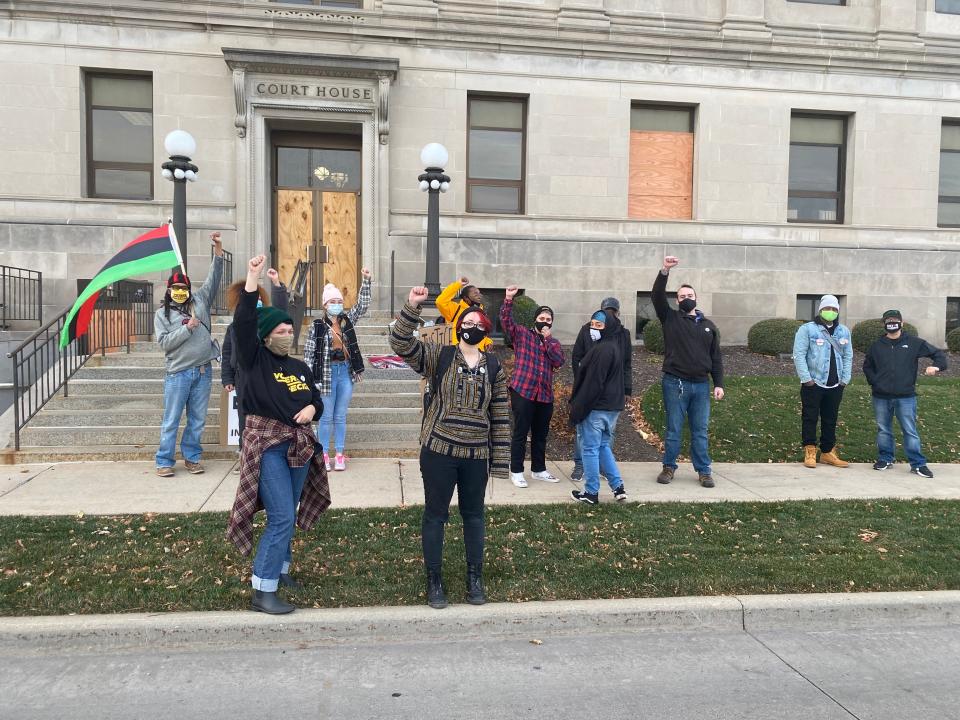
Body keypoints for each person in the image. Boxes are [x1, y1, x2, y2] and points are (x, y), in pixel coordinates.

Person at [390, 285, 510, 610]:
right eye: (466, 322)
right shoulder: (439, 356)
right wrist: (412, 307)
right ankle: (434, 580)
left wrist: (500, 463)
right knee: (435, 516)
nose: (472, 326)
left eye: (478, 323)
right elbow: (400, 343)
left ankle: (475, 577)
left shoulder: (494, 367)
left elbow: (499, 415)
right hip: (439, 453)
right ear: (458, 327)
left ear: (486, 328)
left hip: (475, 457)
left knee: (474, 517)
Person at [226, 254, 329, 615]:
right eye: (280, 331)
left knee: (289, 509)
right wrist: (254, 280)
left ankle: (281, 571)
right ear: (265, 336)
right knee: (282, 515)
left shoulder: (298, 366)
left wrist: (314, 409)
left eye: (290, 330)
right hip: (267, 445)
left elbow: (317, 397)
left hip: (299, 445)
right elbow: (243, 323)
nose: (287, 335)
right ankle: (262, 589)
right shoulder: (254, 360)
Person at [154, 232, 224, 478]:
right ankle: (164, 460)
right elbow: (164, 344)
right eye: (176, 288)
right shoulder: (162, 315)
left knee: (197, 420)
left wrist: (217, 250)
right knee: (171, 419)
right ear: (169, 290)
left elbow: (214, 278)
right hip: (178, 374)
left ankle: (192, 458)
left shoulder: (200, 300)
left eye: (184, 288)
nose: (180, 291)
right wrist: (186, 329)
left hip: (203, 371)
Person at [653, 256, 724, 488]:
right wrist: (665, 271)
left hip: (701, 386)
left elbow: (715, 357)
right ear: (677, 300)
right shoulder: (670, 318)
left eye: (689, 296)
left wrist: (719, 383)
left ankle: (704, 471)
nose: (686, 299)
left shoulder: (709, 326)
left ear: (696, 299)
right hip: (675, 383)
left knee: (700, 431)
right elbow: (656, 296)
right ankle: (668, 467)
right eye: (682, 297)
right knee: (673, 428)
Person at [863, 309, 947, 478]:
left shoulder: (914, 343)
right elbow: (867, 366)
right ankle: (886, 458)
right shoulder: (877, 345)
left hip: (906, 397)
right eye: (888, 320)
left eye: (895, 320)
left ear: (901, 323)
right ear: (883, 324)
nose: (891, 323)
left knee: (909, 430)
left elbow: (938, 354)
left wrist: (936, 367)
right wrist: (876, 382)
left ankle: (918, 464)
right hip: (881, 396)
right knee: (883, 430)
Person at [303, 270, 372, 472]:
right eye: (332, 301)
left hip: (345, 372)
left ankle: (339, 454)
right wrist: (310, 379)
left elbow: (361, 306)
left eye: (339, 301)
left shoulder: (346, 321)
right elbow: (308, 354)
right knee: (326, 417)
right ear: (325, 305)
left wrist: (366, 281)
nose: (336, 305)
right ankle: (323, 454)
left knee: (340, 416)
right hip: (325, 374)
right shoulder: (317, 326)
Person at [221, 268, 289, 468]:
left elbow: (282, 311)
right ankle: (245, 454)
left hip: (268, 374)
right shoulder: (235, 327)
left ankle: (270, 455)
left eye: (259, 296)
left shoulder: (268, 321)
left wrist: (276, 285)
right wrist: (227, 378)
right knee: (245, 418)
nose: (256, 300)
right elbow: (227, 354)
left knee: (270, 415)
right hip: (244, 377)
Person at [501, 285, 565, 488]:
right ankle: (517, 471)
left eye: (548, 319)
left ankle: (538, 470)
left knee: (540, 435)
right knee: (520, 432)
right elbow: (505, 322)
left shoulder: (552, 342)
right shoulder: (521, 334)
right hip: (523, 390)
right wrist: (508, 299)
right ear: (535, 319)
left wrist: (547, 341)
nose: (544, 322)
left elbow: (558, 361)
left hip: (544, 395)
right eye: (542, 318)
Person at [569, 296, 633, 481]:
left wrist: (627, 388)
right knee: (583, 429)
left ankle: (603, 467)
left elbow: (626, 363)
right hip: (589, 388)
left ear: (617, 314)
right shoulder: (587, 330)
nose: (609, 315)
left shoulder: (623, 334)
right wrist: (581, 380)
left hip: (612, 391)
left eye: (612, 312)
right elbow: (576, 357)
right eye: (606, 311)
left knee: (608, 432)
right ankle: (580, 464)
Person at [792, 294, 853, 469]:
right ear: (820, 310)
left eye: (834, 309)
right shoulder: (807, 329)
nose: (831, 312)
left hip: (836, 384)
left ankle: (827, 452)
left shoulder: (844, 331)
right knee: (810, 417)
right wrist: (807, 379)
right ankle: (810, 450)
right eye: (828, 309)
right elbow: (799, 355)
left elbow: (848, 355)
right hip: (814, 383)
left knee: (830, 418)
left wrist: (845, 379)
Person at [436, 276, 493, 350]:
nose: (479, 296)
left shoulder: (481, 311)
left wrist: (487, 342)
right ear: (466, 298)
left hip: (478, 354)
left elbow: (481, 331)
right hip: (458, 354)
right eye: (475, 294)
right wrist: (458, 284)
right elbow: (440, 301)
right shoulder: (455, 309)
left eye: (479, 293)